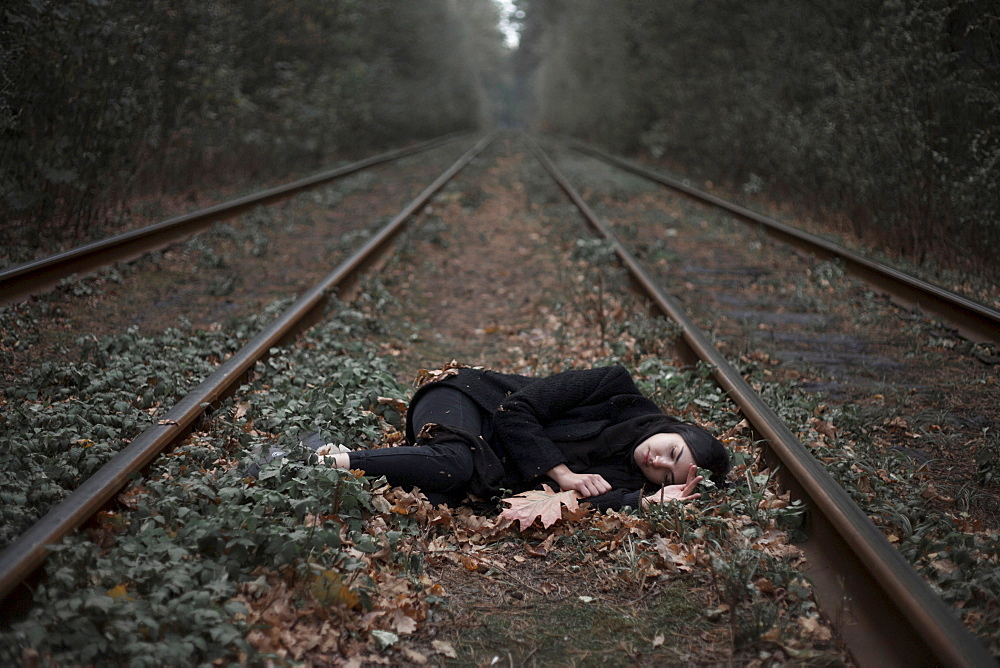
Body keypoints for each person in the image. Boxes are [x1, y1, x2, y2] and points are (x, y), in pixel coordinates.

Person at [327, 365, 730, 511]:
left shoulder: (631, 479)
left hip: (486, 462)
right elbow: (513, 411)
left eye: (666, 476)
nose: (656, 463)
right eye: (671, 450)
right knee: (455, 461)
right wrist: (563, 473)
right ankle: (325, 462)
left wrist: (646, 501)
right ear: (676, 427)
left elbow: (592, 504)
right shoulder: (613, 386)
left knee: (442, 497)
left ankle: (349, 462)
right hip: (469, 400)